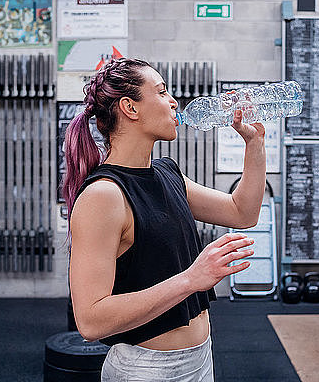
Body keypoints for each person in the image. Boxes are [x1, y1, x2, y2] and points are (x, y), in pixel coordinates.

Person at [63, 58, 266, 381]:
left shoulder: (168, 174)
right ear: (130, 107)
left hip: (200, 358)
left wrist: (254, 144)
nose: (173, 101)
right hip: (147, 369)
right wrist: (191, 279)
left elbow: (242, 213)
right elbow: (90, 321)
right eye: (161, 92)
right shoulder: (103, 196)